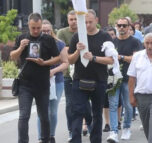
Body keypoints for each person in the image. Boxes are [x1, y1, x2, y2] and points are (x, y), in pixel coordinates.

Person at [10, 13, 60, 143]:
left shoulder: (48, 39)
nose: (36, 31)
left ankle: (45, 140)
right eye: (33, 28)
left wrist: (45, 63)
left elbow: (58, 57)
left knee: (44, 116)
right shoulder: (22, 38)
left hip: (42, 84)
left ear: (41, 24)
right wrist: (21, 47)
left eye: (38, 28)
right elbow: (13, 56)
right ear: (29, 25)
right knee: (24, 116)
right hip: (25, 84)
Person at [68, 9, 114, 143]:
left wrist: (94, 58)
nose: (87, 25)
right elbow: (70, 60)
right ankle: (76, 140)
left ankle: (95, 140)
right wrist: (78, 50)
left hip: (99, 80)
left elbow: (111, 60)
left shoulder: (105, 36)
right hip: (79, 79)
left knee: (97, 114)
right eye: (85, 22)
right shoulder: (77, 36)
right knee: (77, 112)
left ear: (96, 21)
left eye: (90, 22)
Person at [106, 18, 142, 142]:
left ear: (128, 27)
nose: (121, 28)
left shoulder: (135, 42)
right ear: (116, 26)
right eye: (119, 25)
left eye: (124, 26)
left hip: (129, 78)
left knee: (128, 104)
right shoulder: (112, 42)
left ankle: (126, 128)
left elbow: (136, 59)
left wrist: (120, 57)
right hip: (113, 78)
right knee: (113, 105)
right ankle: (113, 131)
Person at [37, 20, 69, 143]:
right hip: (40, 81)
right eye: (43, 31)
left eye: (47, 30)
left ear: (52, 31)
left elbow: (65, 63)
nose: (45, 33)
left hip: (57, 81)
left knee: (53, 111)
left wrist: (53, 71)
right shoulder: (36, 43)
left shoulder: (59, 44)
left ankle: (51, 135)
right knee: (42, 110)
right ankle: (41, 137)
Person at [57, 10, 78, 141]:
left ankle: (86, 126)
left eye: (75, 19)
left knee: (85, 103)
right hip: (67, 75)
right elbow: (63, 51)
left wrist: (71, 49)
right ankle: (71, 130)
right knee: (70, 104)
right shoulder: (62, 32)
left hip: (84, 74)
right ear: (67, 20)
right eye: (71, 19)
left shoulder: (84, 30)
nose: (73, 21)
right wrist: (78, 49)